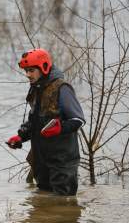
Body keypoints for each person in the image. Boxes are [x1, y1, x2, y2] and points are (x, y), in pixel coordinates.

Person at [6, 48, 85, 196]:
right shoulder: (36, 89)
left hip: (62, 162)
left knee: (64, 204)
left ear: (44, 67)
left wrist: (60, 128)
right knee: (43, 201)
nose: (27, 75)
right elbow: (34, 121)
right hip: (41, 160)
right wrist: (21, 136)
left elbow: (78, 120)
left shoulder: (62, 88)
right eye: (26, 71)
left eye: (31, 70)